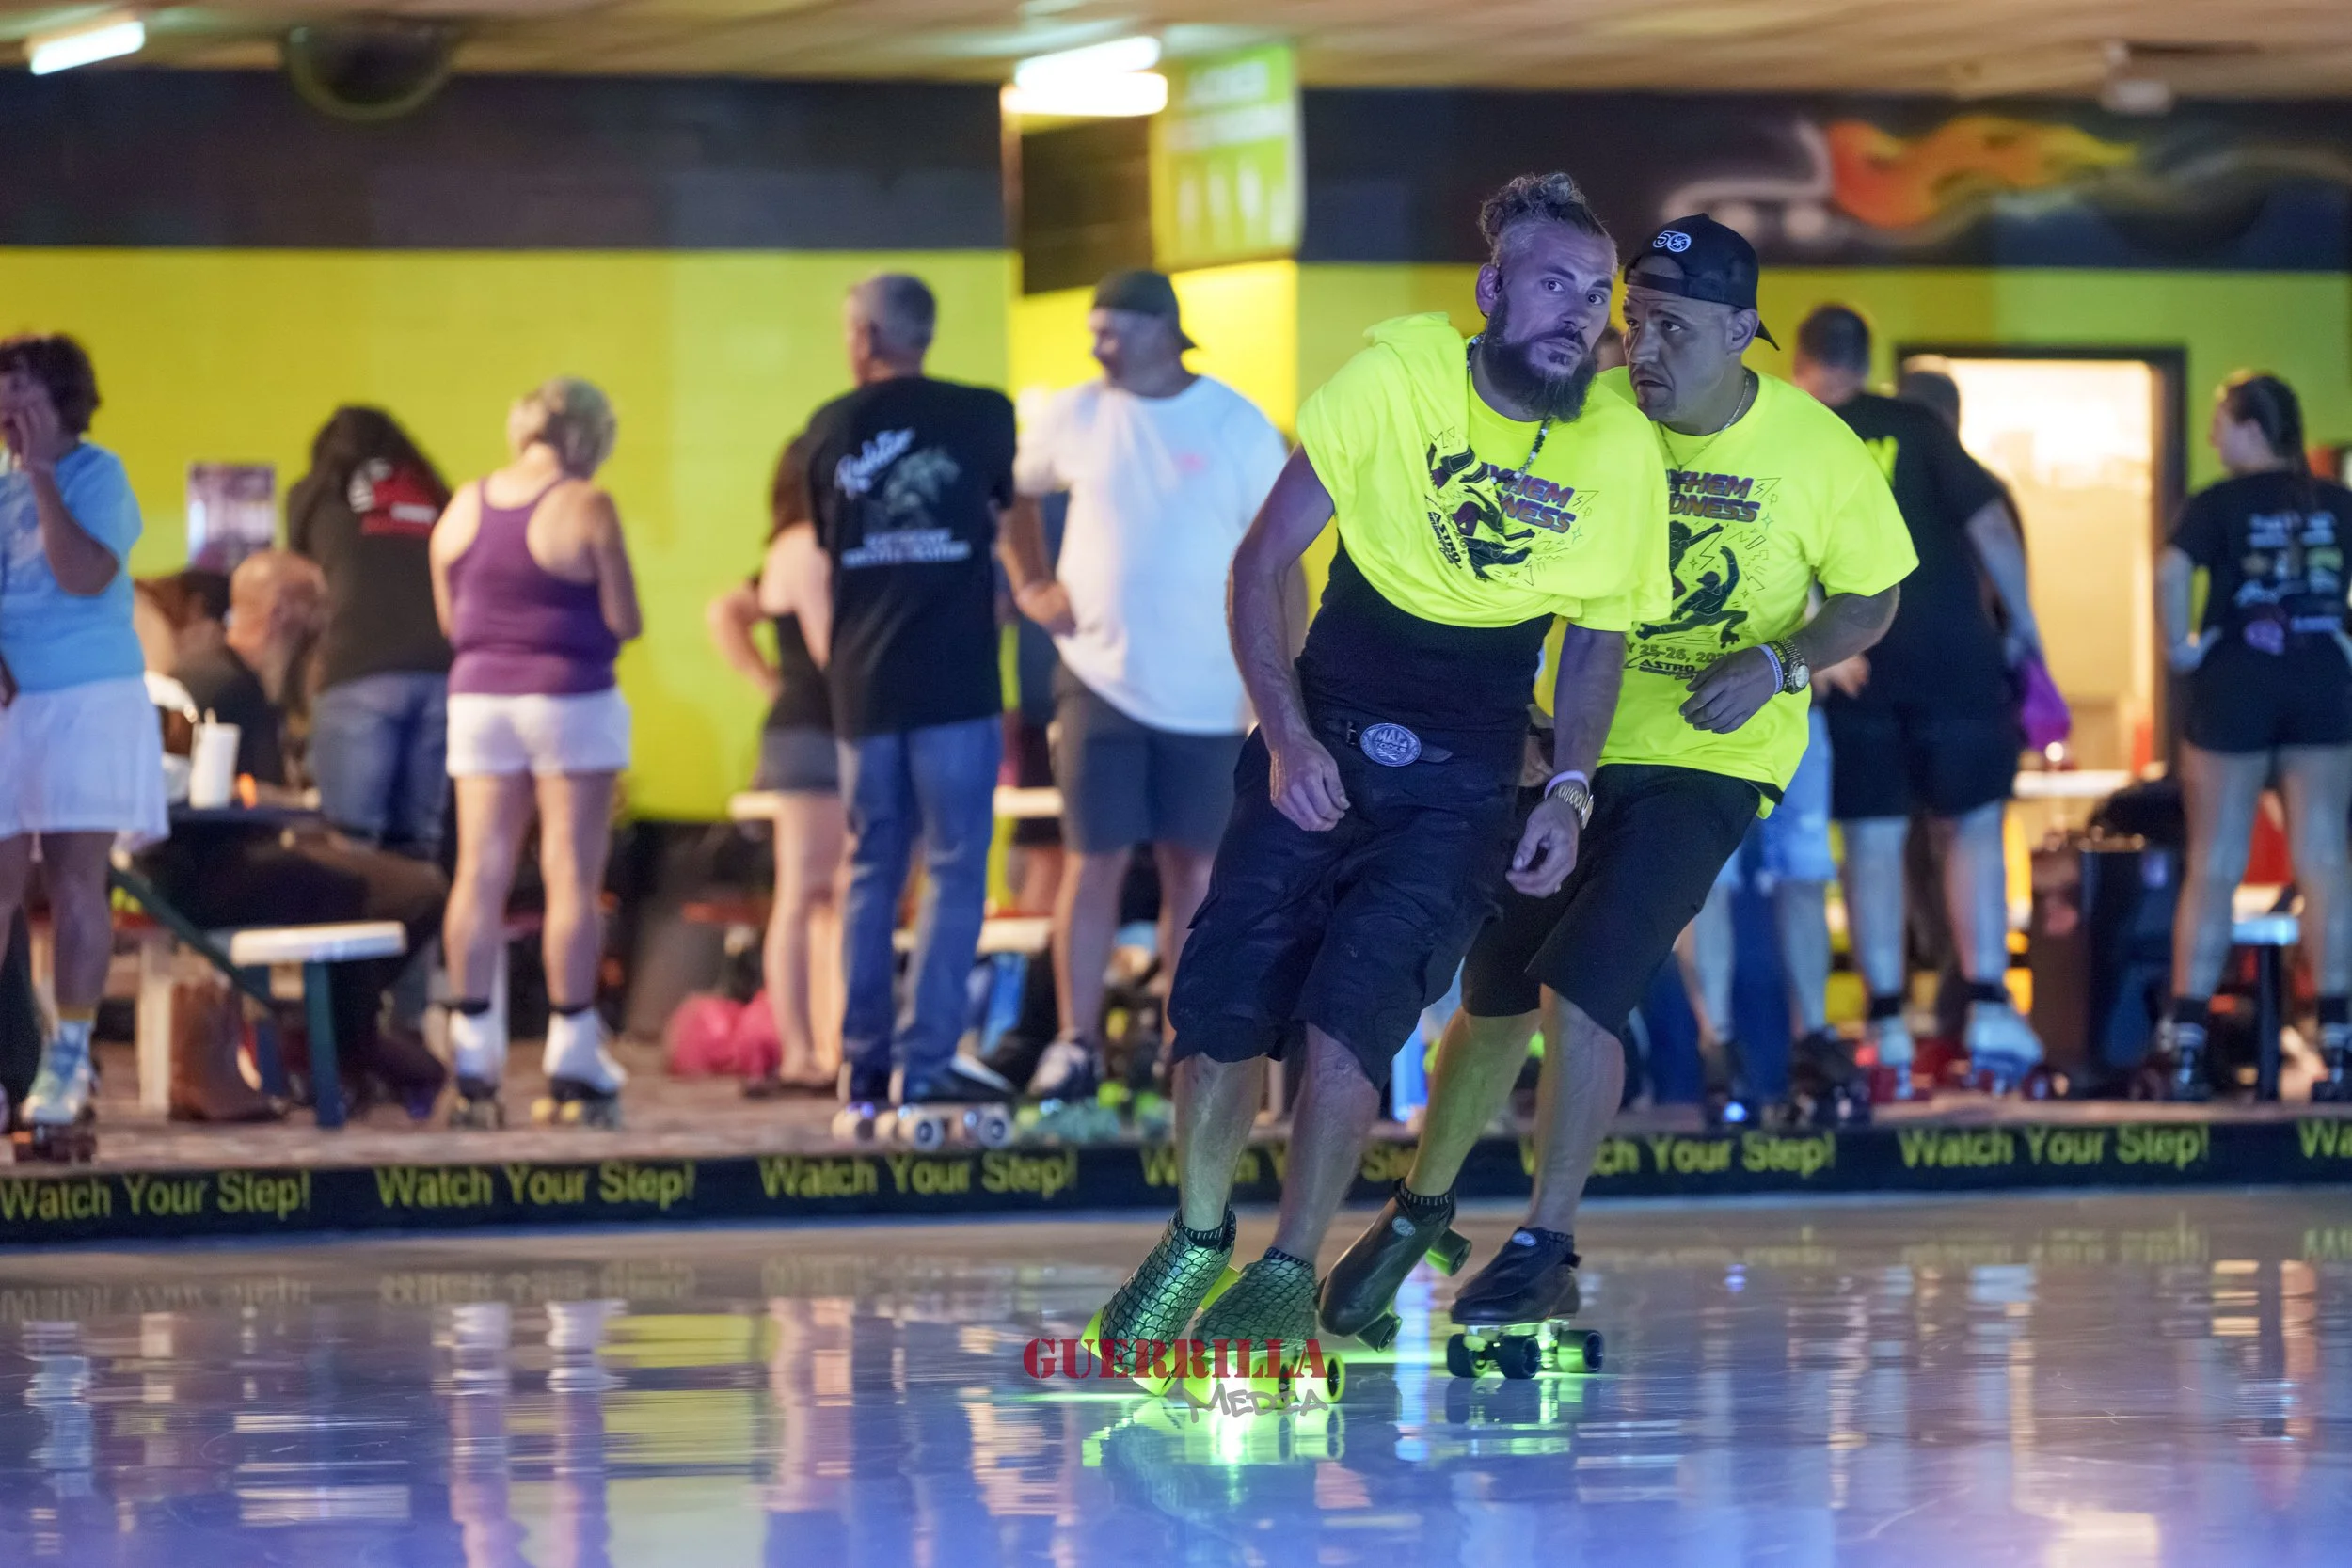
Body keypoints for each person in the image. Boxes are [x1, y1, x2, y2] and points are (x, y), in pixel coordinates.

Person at [1087, 173, 1672, 1366]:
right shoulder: (1394, 378)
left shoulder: (1621, 447)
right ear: (1490, 289)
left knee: (1357, 1016)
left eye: (1594, 294)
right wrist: (1289, 734)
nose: (1576, 311)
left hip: (1464, 772)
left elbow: (1600, 635)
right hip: (1326, 723)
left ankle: (1288, 1270)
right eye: (1551, 283)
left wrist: (1565, 787)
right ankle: (1197, 1236)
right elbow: (1261, 568)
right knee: (1224, 999)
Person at [1323, 217, 1913, 1343]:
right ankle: (1421, 1206)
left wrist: (1782, 658)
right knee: (1493, 985)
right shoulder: (1592, 419)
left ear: (1744, 333)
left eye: (1674, 328)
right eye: (1634, 322)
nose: (1642, 348)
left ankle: (1545, 1239)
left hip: (1712, 758)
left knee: (1584, 981)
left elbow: (1872, 596)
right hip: (1576, 750)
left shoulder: (1816, 448)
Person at [1001, 269, 1290, 1100]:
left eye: (1114, 331)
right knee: (1091, 860)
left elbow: (1280, 555)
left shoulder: (1233, 423)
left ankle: (1180, 1043)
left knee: (1193, 870)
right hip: (1098, 675)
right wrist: (1030, 584)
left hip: (1208, 688)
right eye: (1093, 331)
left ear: (1165, 331)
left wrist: (1275, 681)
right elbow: (1016, 494)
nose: (1099, 347)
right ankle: (1075, 1040)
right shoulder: (1077, 412)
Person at [1793, 305, 2044, 1091]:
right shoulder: (1918, 426)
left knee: (1872, 843)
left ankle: (1890, 1025)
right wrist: (2025, 629)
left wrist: (1811, 637)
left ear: (1803, 361)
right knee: (1970, 831)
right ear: (1866, 359)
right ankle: (1994, 1006)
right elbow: (1994, 531)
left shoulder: (1793, 431)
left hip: (1858, 661)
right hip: (1955, 659)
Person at [798, 274, 1017, 1108]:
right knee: (956, 867)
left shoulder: (829, 426)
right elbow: (1007, 516)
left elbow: (829, 540)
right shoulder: (984, 414)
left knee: (869, 869)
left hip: (863, 682)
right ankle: (925, 1066)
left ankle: (862, 1067)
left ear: (863, 335)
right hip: (957, 678)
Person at [142, 551, 450, 1116]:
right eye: (319, 609)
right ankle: (340, 1039)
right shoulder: (220, 684)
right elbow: (213, 791)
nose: (328, 627)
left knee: (369, 882)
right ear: (285, 613)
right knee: (411, 890)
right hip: (206, 873)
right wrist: (293, 806)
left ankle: (339, 1038)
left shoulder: (228, 680)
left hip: (212, 864)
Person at [431, 376, 642, 1128]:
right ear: (585, 438)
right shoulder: (587, 504)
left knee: (479, 869)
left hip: (479, 697)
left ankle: (473, 1049)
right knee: (569, 873)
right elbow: (624, 617)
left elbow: (453, 620)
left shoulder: (461, 506)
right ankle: (572, 1046)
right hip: (569, 695)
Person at [2157, 373, 2352, 1102]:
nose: (2212, 437)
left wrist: (2180, 646)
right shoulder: (2337, 501)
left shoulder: (2217, 503)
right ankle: (2340, 1043)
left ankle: (2185, 1049)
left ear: (2250, 427)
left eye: (2220, 422)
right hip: (2318, 679)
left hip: (2236, 678)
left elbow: (2169, 570)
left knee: (2214, 862)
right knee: (2326, 858)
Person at [0, 333, 167, 1152]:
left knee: (74, 878)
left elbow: (82, 574)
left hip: (89, 698)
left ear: (59, 397)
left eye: (21, 386)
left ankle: (68, 1056)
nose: (7, 404)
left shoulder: (99, 474)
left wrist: (41, 477)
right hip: (13, 704)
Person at [707, 432, 843, 1095]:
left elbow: (724, 611)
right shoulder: (808, 545)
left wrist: (766, 680)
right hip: (822, 730)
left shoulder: (789, 547)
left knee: (820, 897)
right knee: (813, 894)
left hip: (809, 729)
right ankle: (807, 1048)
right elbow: (830, 651)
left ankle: (820, 1047)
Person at [288, 407, 455, 858]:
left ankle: (355, 928)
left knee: (349, 840)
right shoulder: (437, 494)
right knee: (419, 841)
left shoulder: (316, 494)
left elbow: (301, 582)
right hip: (441, 669)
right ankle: (418, 927)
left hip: (358, 666)